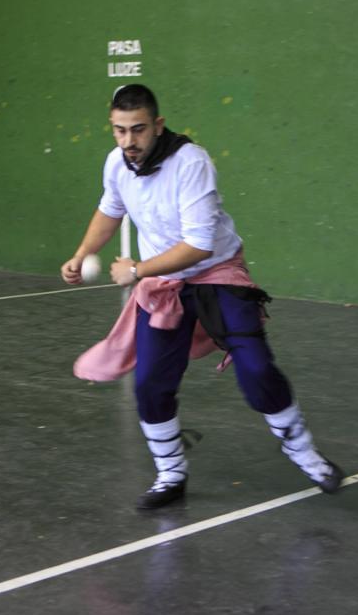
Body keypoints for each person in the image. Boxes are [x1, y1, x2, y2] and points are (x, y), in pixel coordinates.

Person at [61, 84, 343, 509]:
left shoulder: (191, 162)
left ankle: (304, 454)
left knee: (255, 369)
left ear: (158, 125)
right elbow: (110, 208)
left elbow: (198, 246)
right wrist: (83, 253)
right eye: (119, 130)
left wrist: (136, 271)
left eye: (138, 129)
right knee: (150, 384)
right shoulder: (116, 163)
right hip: (163, 285)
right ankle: (170, 474)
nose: (128, 140)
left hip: (216, 275)